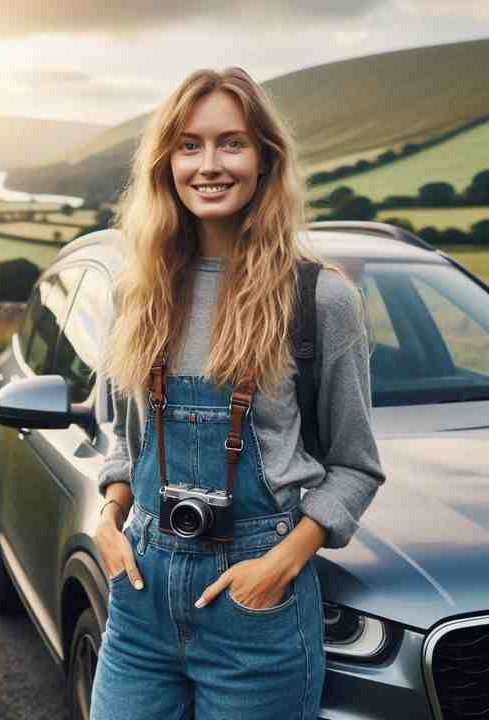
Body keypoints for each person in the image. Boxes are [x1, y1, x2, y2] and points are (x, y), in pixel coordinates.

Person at [90, 66, 386, 720]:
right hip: (139, 601)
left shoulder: (319, 300)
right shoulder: (138, 294)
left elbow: (356, 468)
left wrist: (277, 566)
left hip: (256, 614)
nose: (209, 164)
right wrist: (110, 516)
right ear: (165, 164)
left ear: (265, 159)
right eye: (189, 145)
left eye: (231, 143)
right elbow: (123, 436)